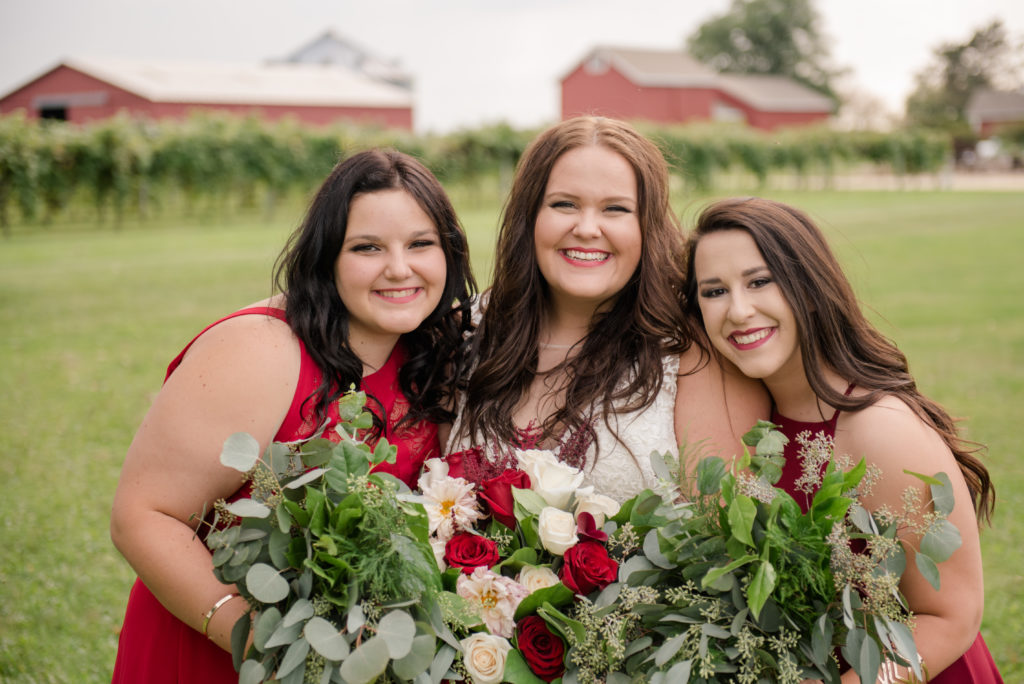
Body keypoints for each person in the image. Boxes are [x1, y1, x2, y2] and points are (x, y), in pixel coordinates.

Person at [109, 149, 476, 681]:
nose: (400, 268)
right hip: (217, 646)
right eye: (367, 247)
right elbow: (142, 517)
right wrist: (258, 639)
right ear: (327, 257)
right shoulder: (259, 349)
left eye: (421, 244)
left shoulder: (435, 351)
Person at [685, 197, 1001, 682]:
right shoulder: (751, 417)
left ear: (809, 289)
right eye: (714, 291)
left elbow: (951, 618)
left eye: (759, 281)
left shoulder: (879, 429)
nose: (739, 310)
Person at [446, 116, 765, 502]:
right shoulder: (470, 330)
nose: (587, 228)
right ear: (529, 217)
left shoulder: (693, 350)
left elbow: (723, 535)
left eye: (615, 209)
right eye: (564, 204)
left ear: (648, 225)